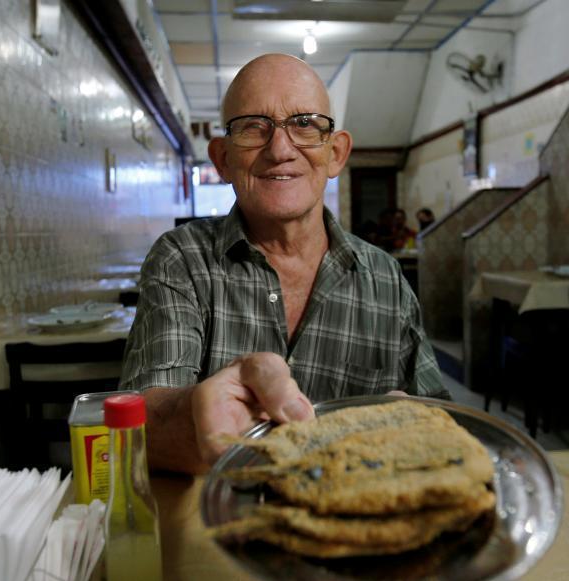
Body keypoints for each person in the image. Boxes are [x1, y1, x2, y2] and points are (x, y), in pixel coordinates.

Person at [119, 54, 447, 474]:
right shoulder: (181, 260)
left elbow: (436, 415)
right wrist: (197, 419)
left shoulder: (385, 278)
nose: (279, 149)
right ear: (221, 159)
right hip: (222, 526)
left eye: (305, 124)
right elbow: (142, 417)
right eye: (254, 127)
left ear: (336, 153)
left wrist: (419, 423)